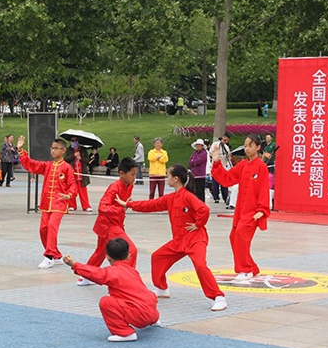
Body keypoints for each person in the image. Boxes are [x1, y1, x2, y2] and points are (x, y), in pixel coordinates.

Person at [116, 164, 228, 312]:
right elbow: (151, 204)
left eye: (168, 175)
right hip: (179, 241)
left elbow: (204, 210)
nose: (167, 177)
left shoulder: (188, 196)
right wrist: (129, 204)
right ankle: (162, 288)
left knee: (200, 266)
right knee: (158, 257)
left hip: (195, 239)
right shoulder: (171, 198)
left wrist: (198, 224)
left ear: (175, 179)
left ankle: (219, 297)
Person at [63, 238, 160, 342]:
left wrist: (74, 265)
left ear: (107, 258)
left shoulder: (111, 272)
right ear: (128, 256)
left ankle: (125, 333)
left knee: (106, 302)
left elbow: (94, 273)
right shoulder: (133, 271)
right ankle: (154, 320)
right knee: (145, 294)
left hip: (139, 316)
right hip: (153, 313)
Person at [210, 134, 271, 283]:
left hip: (253, 211)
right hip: (240, 210)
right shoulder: (243, 165)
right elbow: (227, 179)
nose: (247, 148)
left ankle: (245, 269)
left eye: (250, 146)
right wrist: (217, 162)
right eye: (245, 145)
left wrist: (261, 210)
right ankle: (252, 267)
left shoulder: (261, 166)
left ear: (258, 147)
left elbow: (264, 189)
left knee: (242, 236)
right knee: (234, 237)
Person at [76, 157, 140, 286]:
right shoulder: (114, 188)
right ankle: (127, 278)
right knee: (131, 250)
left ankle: (85, 275)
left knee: (101, 251)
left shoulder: (129, 185)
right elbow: (102, 207)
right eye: (132, 174)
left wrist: (126, 204)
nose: (134, 177)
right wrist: (120, 208)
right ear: (122, 174)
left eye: (135, 174)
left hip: (113, 224)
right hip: (108, 225)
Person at [16, 135, 77, 268]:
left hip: (59, 204)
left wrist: (69, 195)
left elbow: (73, 184)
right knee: (43, 229)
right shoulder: (48, 166)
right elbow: (32, 165)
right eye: (52, 148)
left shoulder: (67, 167)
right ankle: (56, 255)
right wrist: (21, 151)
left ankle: (49, 256)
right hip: (46, 203)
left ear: (63, 150)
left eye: (56, 148)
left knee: (52, 227)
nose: (53, 151)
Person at [65, 139, 92, 212]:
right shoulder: (68, 150)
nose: (74, 142)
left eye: (76, 140)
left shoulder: (83, 150)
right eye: (73, 140)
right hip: (72, 174)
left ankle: (86, 206)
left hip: (81, 174)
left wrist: (81, 158)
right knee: (72, 190)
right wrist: (73, 155)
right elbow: (65, 159)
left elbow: (87, 160)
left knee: (83, 191)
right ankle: (72, 205)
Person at [210, 134, 232, 204]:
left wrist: (229, 156)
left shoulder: (226, 147)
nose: (225, 141)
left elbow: (228, 158)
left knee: (224, 183)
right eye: (224, 139)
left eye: (226, 140)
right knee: (215, 183)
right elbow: (211, 152)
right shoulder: (215, 144)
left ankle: (225, 197)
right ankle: (216, 197)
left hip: (223, 166)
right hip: (216, 166)